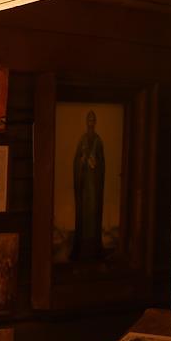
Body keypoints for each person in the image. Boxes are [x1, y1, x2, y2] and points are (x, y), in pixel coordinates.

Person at [71, 109, 106, 260]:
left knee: (93, 215)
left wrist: (96, 165)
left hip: (95, 188)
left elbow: (102, 164)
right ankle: (81, 247)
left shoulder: (98, 141)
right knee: (83, 217)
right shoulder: (82, 140)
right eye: (89, 120)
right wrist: (82, 161)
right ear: (86, 122)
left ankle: (94, 248)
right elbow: (76, 162)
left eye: (93, 120)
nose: (91, 122)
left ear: (95, 122)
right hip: (84, 188)